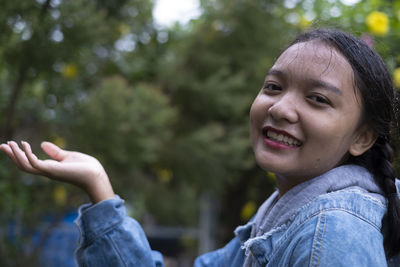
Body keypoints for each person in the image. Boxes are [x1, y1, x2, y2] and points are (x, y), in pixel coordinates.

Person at [1, 28, 400, 266]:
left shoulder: (332, 233)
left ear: (363, 137)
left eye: (318, 99)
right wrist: (98, 187)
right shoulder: (276, 221)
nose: (280, 108)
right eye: (273, 87)